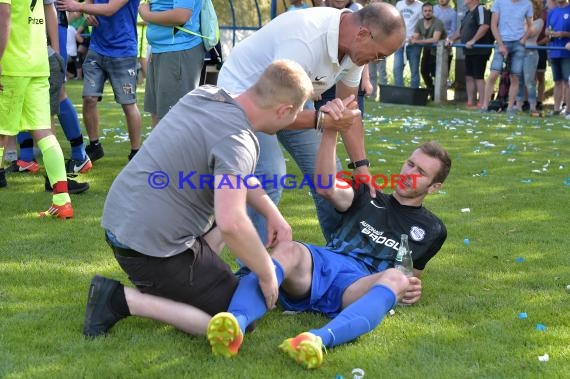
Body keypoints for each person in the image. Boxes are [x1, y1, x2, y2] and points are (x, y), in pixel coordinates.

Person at [81, 60, 314, 338]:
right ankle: (121, 299)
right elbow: (232, 223)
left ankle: (184, 280)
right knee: (235, 320)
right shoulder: (238, 140)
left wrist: (271, 212)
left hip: (123, 222)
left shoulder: (205, 95)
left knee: (224, 208)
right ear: (284, 110)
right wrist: (266, 272)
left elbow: (234, 172)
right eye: (297, 112)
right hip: (150, 249)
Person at [206, 138, 452, 369]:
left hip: (358, 285)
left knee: (396, 279)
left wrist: (411, 288)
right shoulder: (368, 193)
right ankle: (234, 324)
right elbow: (326, 186)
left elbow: (410, 274)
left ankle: (315, 340)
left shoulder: (432, 230)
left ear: (434, 187)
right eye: (410, 164)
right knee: (289, 249)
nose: (409, 174)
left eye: (421, 172)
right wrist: (330, 131)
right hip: (323, 265)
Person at [217, 3, 406, 244]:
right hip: (243, 100)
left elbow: (348, 109)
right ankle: (255, 271)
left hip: (288, 98)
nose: (377, 61)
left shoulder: (354, 49)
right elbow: (273, 113)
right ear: (362, 34)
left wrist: (361, 167)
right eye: (379, 55)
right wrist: (323, 119)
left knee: (332, 180)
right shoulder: (304, 40)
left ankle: (341, 258)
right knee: (270, 174)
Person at [0, 0, 73, 217]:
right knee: (43, 131)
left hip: (12, 66)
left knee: (2, 133)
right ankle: (62, 201)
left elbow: (4, 19)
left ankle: (62, 201)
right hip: (37, 64)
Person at [56, 0, 142, 161]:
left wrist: (79, 6)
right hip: (97, 49)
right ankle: (95, 146)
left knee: (128, 103)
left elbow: (110, 9)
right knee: (89, 99)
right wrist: (88, 14)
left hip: (123, 51)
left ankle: (136, 152)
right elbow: (90, 4)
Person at [138, 0, 205, 127]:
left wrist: (146, 15)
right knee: (158, 114)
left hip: (177, 50)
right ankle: (158, 147)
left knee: (173, 118)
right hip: (160, 50)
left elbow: (181, 15)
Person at [480, 0, 533, 114]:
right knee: (493, 74)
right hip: (502, 41)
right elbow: (493, 25)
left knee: (515, 77)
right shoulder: (499, 2)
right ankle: (484, 106)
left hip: (518, 44)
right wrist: (500, 44)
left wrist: (524, 39)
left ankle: (509, 108)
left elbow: (530, 25)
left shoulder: (527, 4)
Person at [446, 0, 492, 109]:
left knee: (478, 77)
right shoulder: (468, 13)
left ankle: (482, 103)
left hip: (480, 50)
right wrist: (451, 39)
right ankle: (470, 102)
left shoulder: (480, 9)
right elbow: (461, 31)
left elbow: (484, 26)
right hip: (469, 51)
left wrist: (473, 40)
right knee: (469, 77)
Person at [411, 2, 446, 99]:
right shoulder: (419, 22)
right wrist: (410, 39)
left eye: (430, 11)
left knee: (437, 74)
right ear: (422, 12)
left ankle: (438, 97)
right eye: (425, 11)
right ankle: (432, 92)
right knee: (423, 71)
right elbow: (415, 36)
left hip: (441, 51)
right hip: (427, 50)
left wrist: (417, 41)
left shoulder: (438, 22)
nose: (427, 13)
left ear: (433, 12)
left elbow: (435, 39)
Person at [516, 0, 544, 116]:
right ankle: (518, 106)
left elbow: (531, 33)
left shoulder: (539, 21)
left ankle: (533, 106)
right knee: (519, 80)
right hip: (519, 52)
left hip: (531, 53)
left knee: (529, 80)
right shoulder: (520, 20)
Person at [546, 0, 570, 117]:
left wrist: (564, 34)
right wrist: (549, 33)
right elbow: (547, 30)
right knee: (557, 81)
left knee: (568, 81)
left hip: (567, 52)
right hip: (554, 51)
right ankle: (556, 109)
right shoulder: (552, 12)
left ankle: (568, 110)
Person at [393, 0, 423, 88]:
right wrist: (398, 37)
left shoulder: (420, 6)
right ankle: (399, 92)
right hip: (400, 43)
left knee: (414, 71)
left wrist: (414, 37)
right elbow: (395, 22)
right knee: (397, 68)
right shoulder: (399, 4)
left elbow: (422, 24)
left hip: (414, 43)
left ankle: (414, 95)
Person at [433, 0, 456, 78]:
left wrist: (446, 40)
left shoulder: (453, 13)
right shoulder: (432, 9)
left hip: (445, 46)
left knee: (443, 73)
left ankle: (442, 89)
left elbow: (453, 30)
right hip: (431, 45)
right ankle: (430, 89)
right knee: (425, 70)